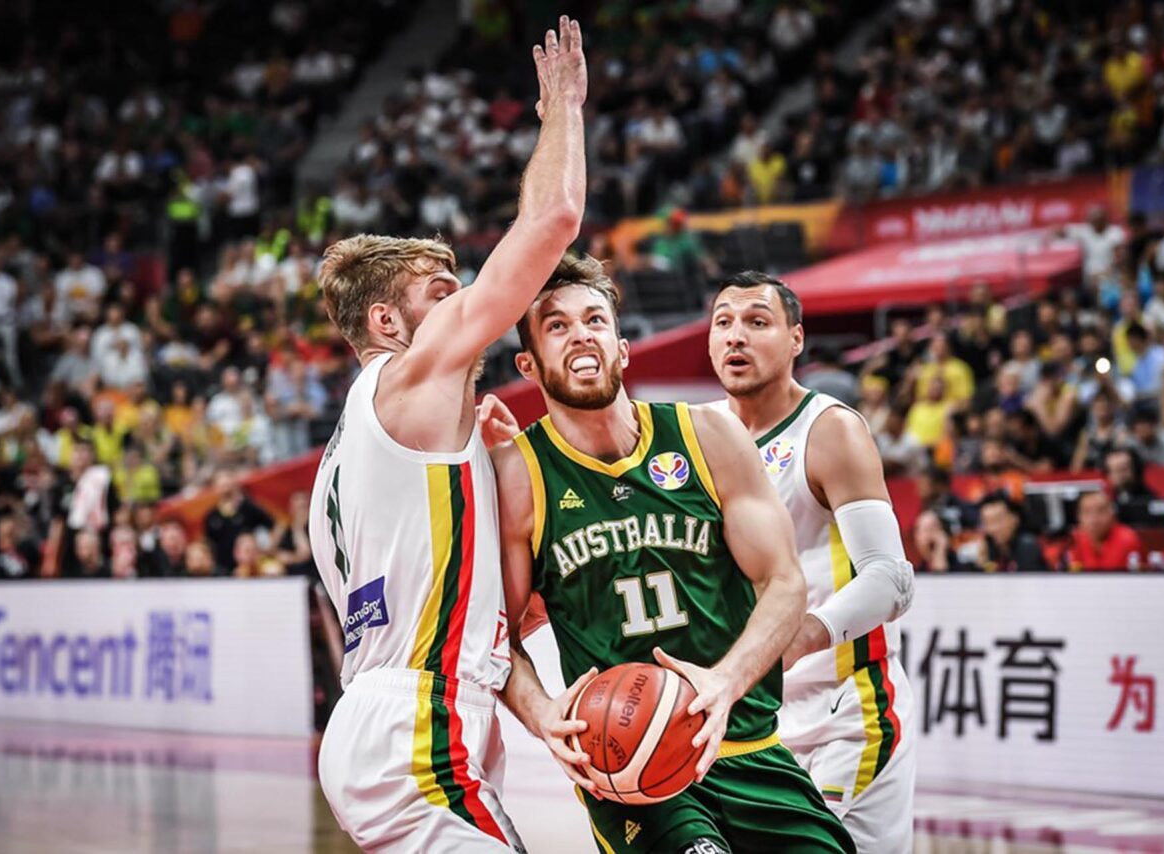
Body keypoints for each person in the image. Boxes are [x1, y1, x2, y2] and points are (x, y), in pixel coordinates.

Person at [307, 18, 588, 853]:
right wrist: (563, 110)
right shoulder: (409, 382)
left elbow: (485, 605)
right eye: (441, 292)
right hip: (417, 726)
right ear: (388, 322)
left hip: (390, 718)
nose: (467, 308)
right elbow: (554, 220)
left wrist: (498, 458)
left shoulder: (344, 460)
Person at [489, 257, 854, 853]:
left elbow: (785, 583)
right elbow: (495, 633)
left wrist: (726, 682)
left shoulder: (708, 435)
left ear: (622, 347)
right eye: (556, 326)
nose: (580, 334)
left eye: (594, 320)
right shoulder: (517, 477)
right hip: (630, 768)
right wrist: (543, 713)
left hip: (750, 746)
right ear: (528, 365)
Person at [707, 271, 915, 851]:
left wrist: (792, 639)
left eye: (756, 322)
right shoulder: (695, 434)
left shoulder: (830, 430)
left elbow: (891, 578)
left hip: (844, 707)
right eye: (723, 322)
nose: (735, 337)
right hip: (748, 717)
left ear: (795, 339)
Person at [1064, 490, 1143, 571]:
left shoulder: (1128, 539)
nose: (1094, 520)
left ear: (1112, 514)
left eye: (1100, 511)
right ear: (1078, 516)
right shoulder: (1074, 540)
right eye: (1087, 512)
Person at [976, 493, 1049, 572]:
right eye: (987, 522)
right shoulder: (989, 547)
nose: (992, 529)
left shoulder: (1027, 546)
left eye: (997, 520)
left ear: (1015, 519)